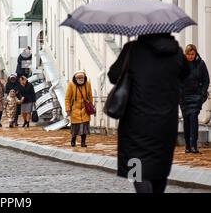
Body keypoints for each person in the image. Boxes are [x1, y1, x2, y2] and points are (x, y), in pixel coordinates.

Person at [108, 33, 189, 194]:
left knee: (135, 169)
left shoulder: (132, 50)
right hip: (166, 123)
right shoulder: (176, 52)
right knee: (159, 169)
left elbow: (113, 75)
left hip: (136, 124)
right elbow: (185, 74)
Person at [180, 44, 210, 154]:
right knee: (186, 121)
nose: (190, 56)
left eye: (192, 54)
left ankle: (194, 146)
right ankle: (187, 146)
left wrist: (202, 94)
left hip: (196, 97)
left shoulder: (201, 64)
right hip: (184, 97)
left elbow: (206, 80)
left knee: (193, 120)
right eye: (188, 54)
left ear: (195, 53)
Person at [65, 70, 93, 146]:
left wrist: (91, 105)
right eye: (79, 78)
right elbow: (67, 98)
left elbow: (90, 96)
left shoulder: (88, 84)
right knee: (75, 127)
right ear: (75, 78)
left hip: (85, 109)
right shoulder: (71, 84)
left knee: (85, 126)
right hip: (75, 109)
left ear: (84, 77)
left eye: (82, 77)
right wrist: (68, 109)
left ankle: (83, 142)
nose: (80, 79)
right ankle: (73, 140)